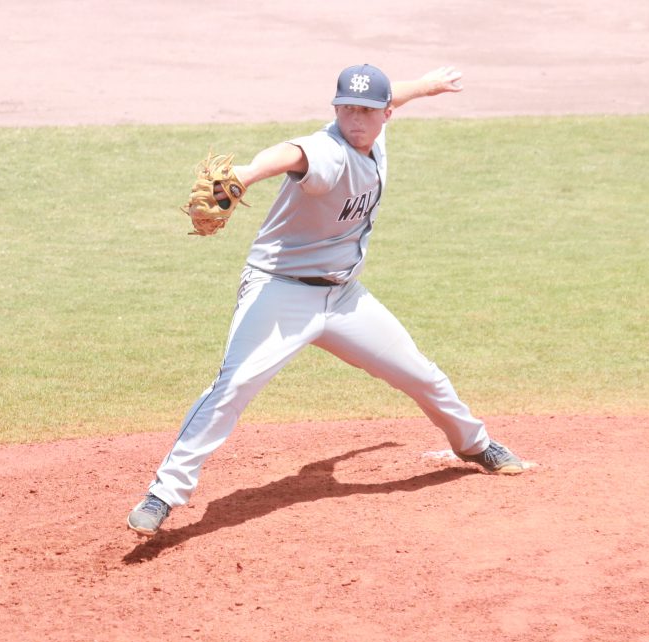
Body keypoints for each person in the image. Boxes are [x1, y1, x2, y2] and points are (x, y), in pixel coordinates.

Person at [128, 64, 533, 538]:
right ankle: (163, 494)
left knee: (422, 374)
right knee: (232, 388)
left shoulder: (375, 132)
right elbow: (291, 153)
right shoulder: (328, 152)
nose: (354, 119)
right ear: (335, 109)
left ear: (385, 114)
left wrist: (426, 86)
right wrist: (245, 173)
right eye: (345, 108)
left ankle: (474, 444)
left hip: (344, 299)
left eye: (365, 109)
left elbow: (392, 94)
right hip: (281, 292)